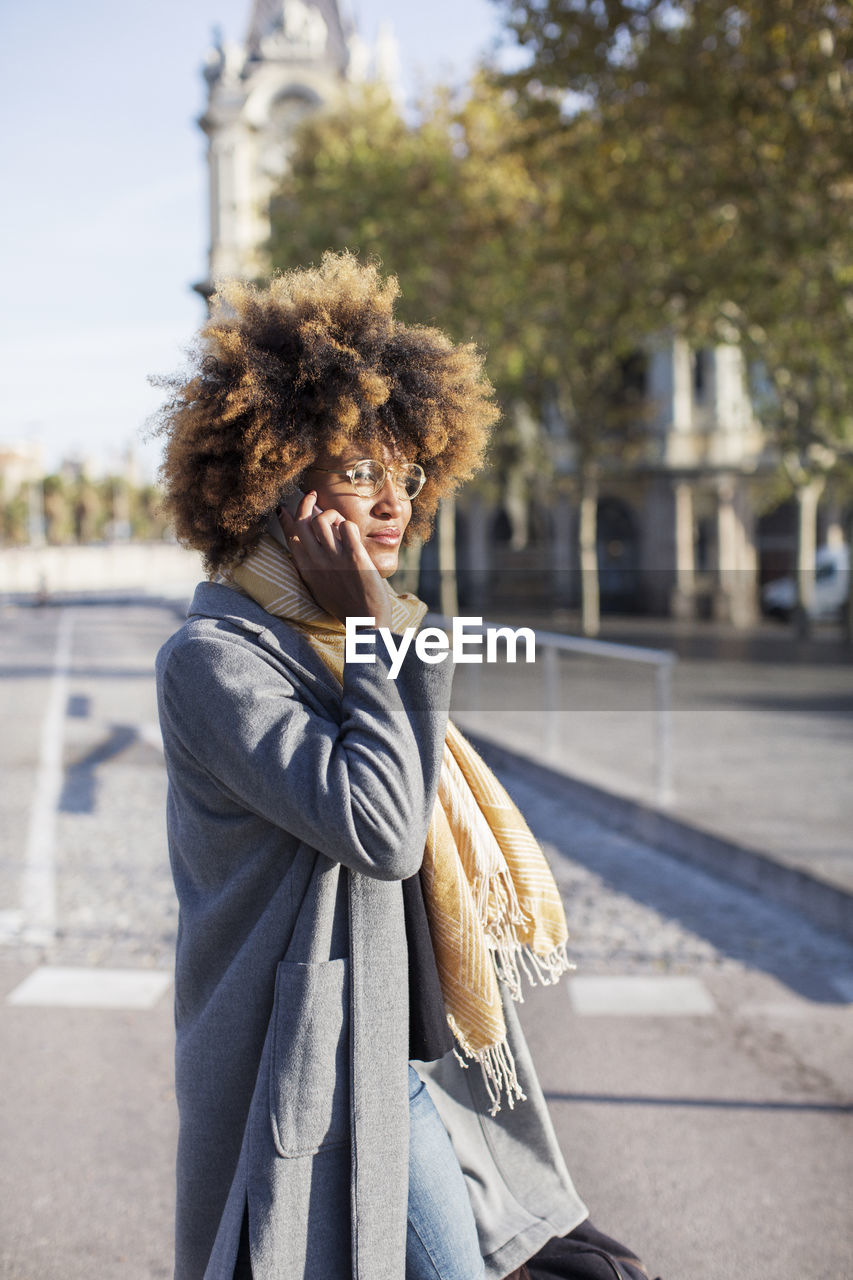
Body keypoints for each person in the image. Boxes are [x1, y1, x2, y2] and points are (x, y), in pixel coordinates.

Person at [154, 253, 656, 1280]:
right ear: (273, 475)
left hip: (395, 1059)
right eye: (358, 472)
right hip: (306, 1076)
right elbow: (378, 828)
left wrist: (374, 635)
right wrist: (384, 633)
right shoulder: (216, 660)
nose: (393, 502)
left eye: (408, 476)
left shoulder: (335, 639)